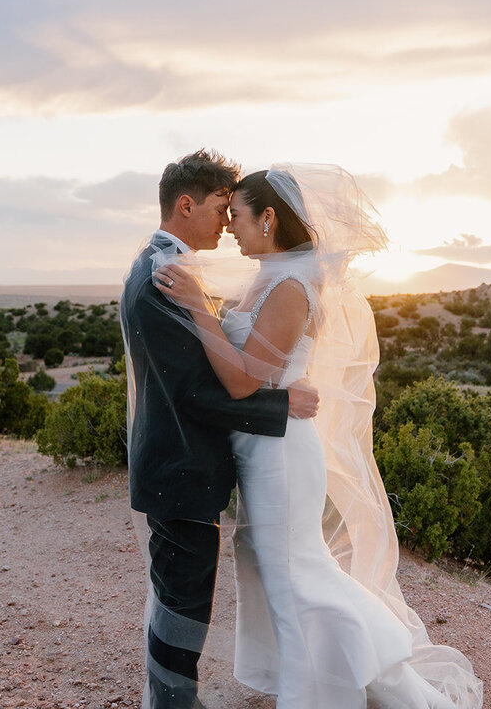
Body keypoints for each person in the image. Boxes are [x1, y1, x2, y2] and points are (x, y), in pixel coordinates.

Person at [154, 164, 484, 708]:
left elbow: (240, 380)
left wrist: (195, 306)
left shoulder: (289, 287)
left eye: (236, 215)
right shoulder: (272, 275)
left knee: (294, 576)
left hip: (280, 456)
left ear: (267, 217)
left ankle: (333, 690)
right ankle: (336, 679)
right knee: (280, 568)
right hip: (263, 446)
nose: (230, 226)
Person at [120, 149, 320, 709]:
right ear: (187, 204)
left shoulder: (163, 265)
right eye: (219, 206)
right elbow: (192, 391)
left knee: (176, 595)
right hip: (180, 465)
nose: (227, 221)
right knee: (183, 599)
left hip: (178, 463)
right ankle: (173, 703)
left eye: (236, 209)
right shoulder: (164, 274)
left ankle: (168, 699)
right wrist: (278, 407)